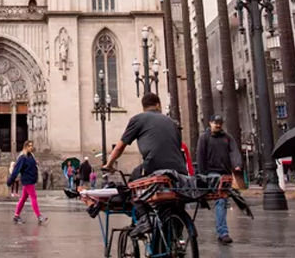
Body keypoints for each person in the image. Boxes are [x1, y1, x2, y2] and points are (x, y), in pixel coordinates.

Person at [104, 93, 188, 238]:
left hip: (154, 166)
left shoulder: (138, 119)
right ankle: (177, 236)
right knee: (175, 197)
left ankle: (143, 219)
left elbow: (119, 148)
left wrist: (109, 164)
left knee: (132, 186)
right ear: (158, 105)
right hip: (180, 169)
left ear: (143, 107)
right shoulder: (171, 122)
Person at [196, 115, 243, 245]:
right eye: (216, 122)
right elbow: (200, 156)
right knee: (221, 201)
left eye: (220, 122)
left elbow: (234, 152)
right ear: (210, 123)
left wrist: (237, 164)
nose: (218, 125)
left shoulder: (227, 137)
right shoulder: (204, 138)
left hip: (225, 174)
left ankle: (222, 232)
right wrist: (202, 176)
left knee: (221, 202)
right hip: (212, 174)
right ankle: (223, 233)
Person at [8, 140, 48, 225]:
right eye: (29, 146)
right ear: (25, 147)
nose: (31, 147)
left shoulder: (31, 156)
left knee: (23, 199)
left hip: (31, 179)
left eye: (32, 145)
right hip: (27, 180)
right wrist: (10, 181)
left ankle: (16, 215)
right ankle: (39, 216)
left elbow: (31, 165)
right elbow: (16, 170)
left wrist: (35, 163)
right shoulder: (22, 157)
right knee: (34, 197)